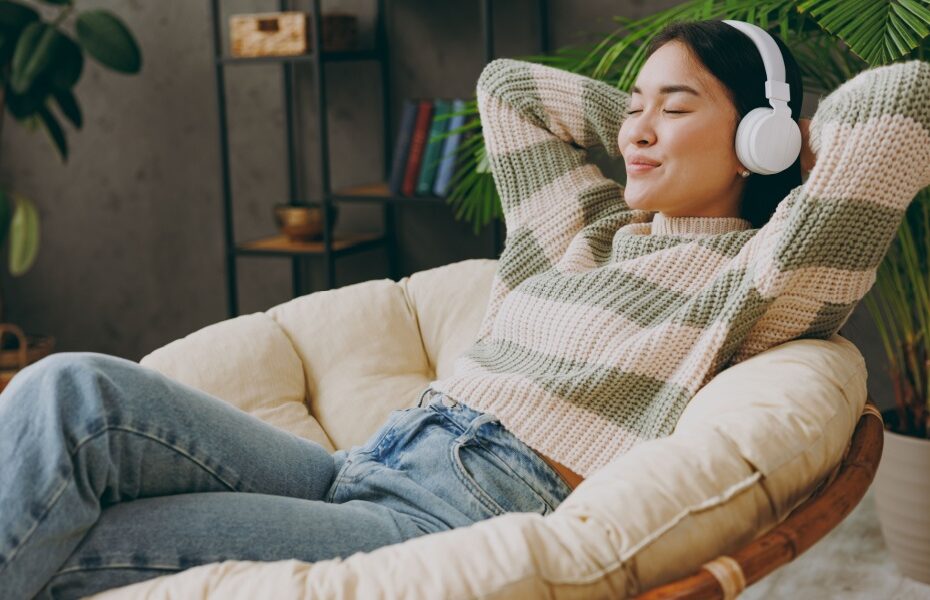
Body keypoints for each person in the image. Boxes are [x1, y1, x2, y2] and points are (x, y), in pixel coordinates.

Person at [2, 18, 928, 599]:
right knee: (70, 391)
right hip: (367, 461)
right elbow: (509, 90)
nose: (634, 129)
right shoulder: (584, 234)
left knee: (85, 544)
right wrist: (657, 121)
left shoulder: (760, 280)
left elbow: (906, 100)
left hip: (453, 513)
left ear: (759, 140)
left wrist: (785, 137)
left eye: (675, 107)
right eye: (630, 107)